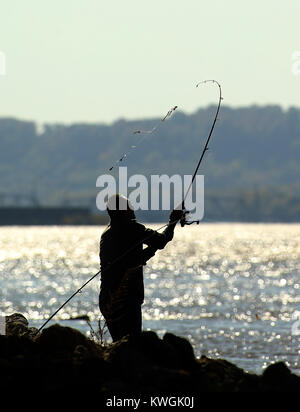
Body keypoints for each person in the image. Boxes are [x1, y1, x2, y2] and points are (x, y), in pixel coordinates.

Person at [99, 194, 183, 341]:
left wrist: (151, 250)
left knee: (118, 345)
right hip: (127, 298)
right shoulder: (133, 228)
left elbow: (134, 260)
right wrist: (172, 222)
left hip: (107, 298)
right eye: (130, 207)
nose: (133, 210)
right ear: (124, 211)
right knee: (132, 345)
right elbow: (161, 241)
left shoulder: (106, 234)